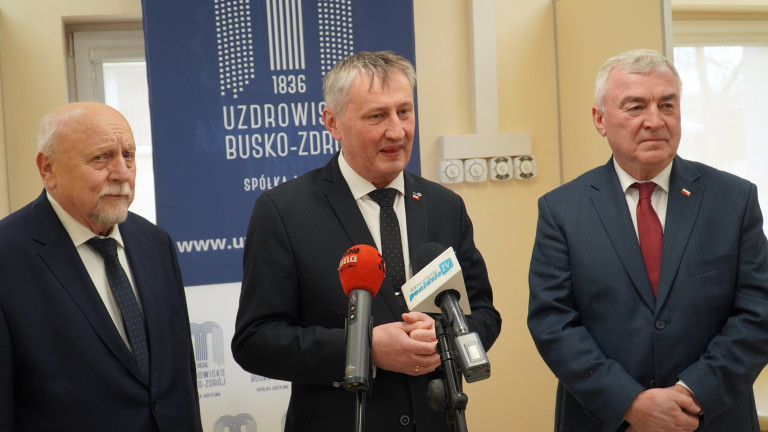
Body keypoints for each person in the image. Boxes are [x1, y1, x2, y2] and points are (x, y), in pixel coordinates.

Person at [231, 51, 501, 431]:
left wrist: (444, 339)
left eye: (404, 112)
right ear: (332, 123)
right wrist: (366, 349)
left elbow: (484, 314)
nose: (397, 131)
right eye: (377, 116)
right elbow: (256, 341)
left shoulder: (444, 205)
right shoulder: (283, 211)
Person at [527, 48, 768, 432]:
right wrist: (629, 402)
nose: (655, 121)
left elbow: (758, 313)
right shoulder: (562, 210)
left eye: (667, 105)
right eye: (636, 107)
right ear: (600, 120)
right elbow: (553, 323)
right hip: (605, 420)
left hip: (711, 418)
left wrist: (691, 394)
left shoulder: (734, 200)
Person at [0, 102, 203, 431]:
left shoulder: (155, 243)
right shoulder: (8, 256)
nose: (122, 173)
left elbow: (181, 377)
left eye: (129, 155)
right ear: (48, 169)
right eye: (101, 158)